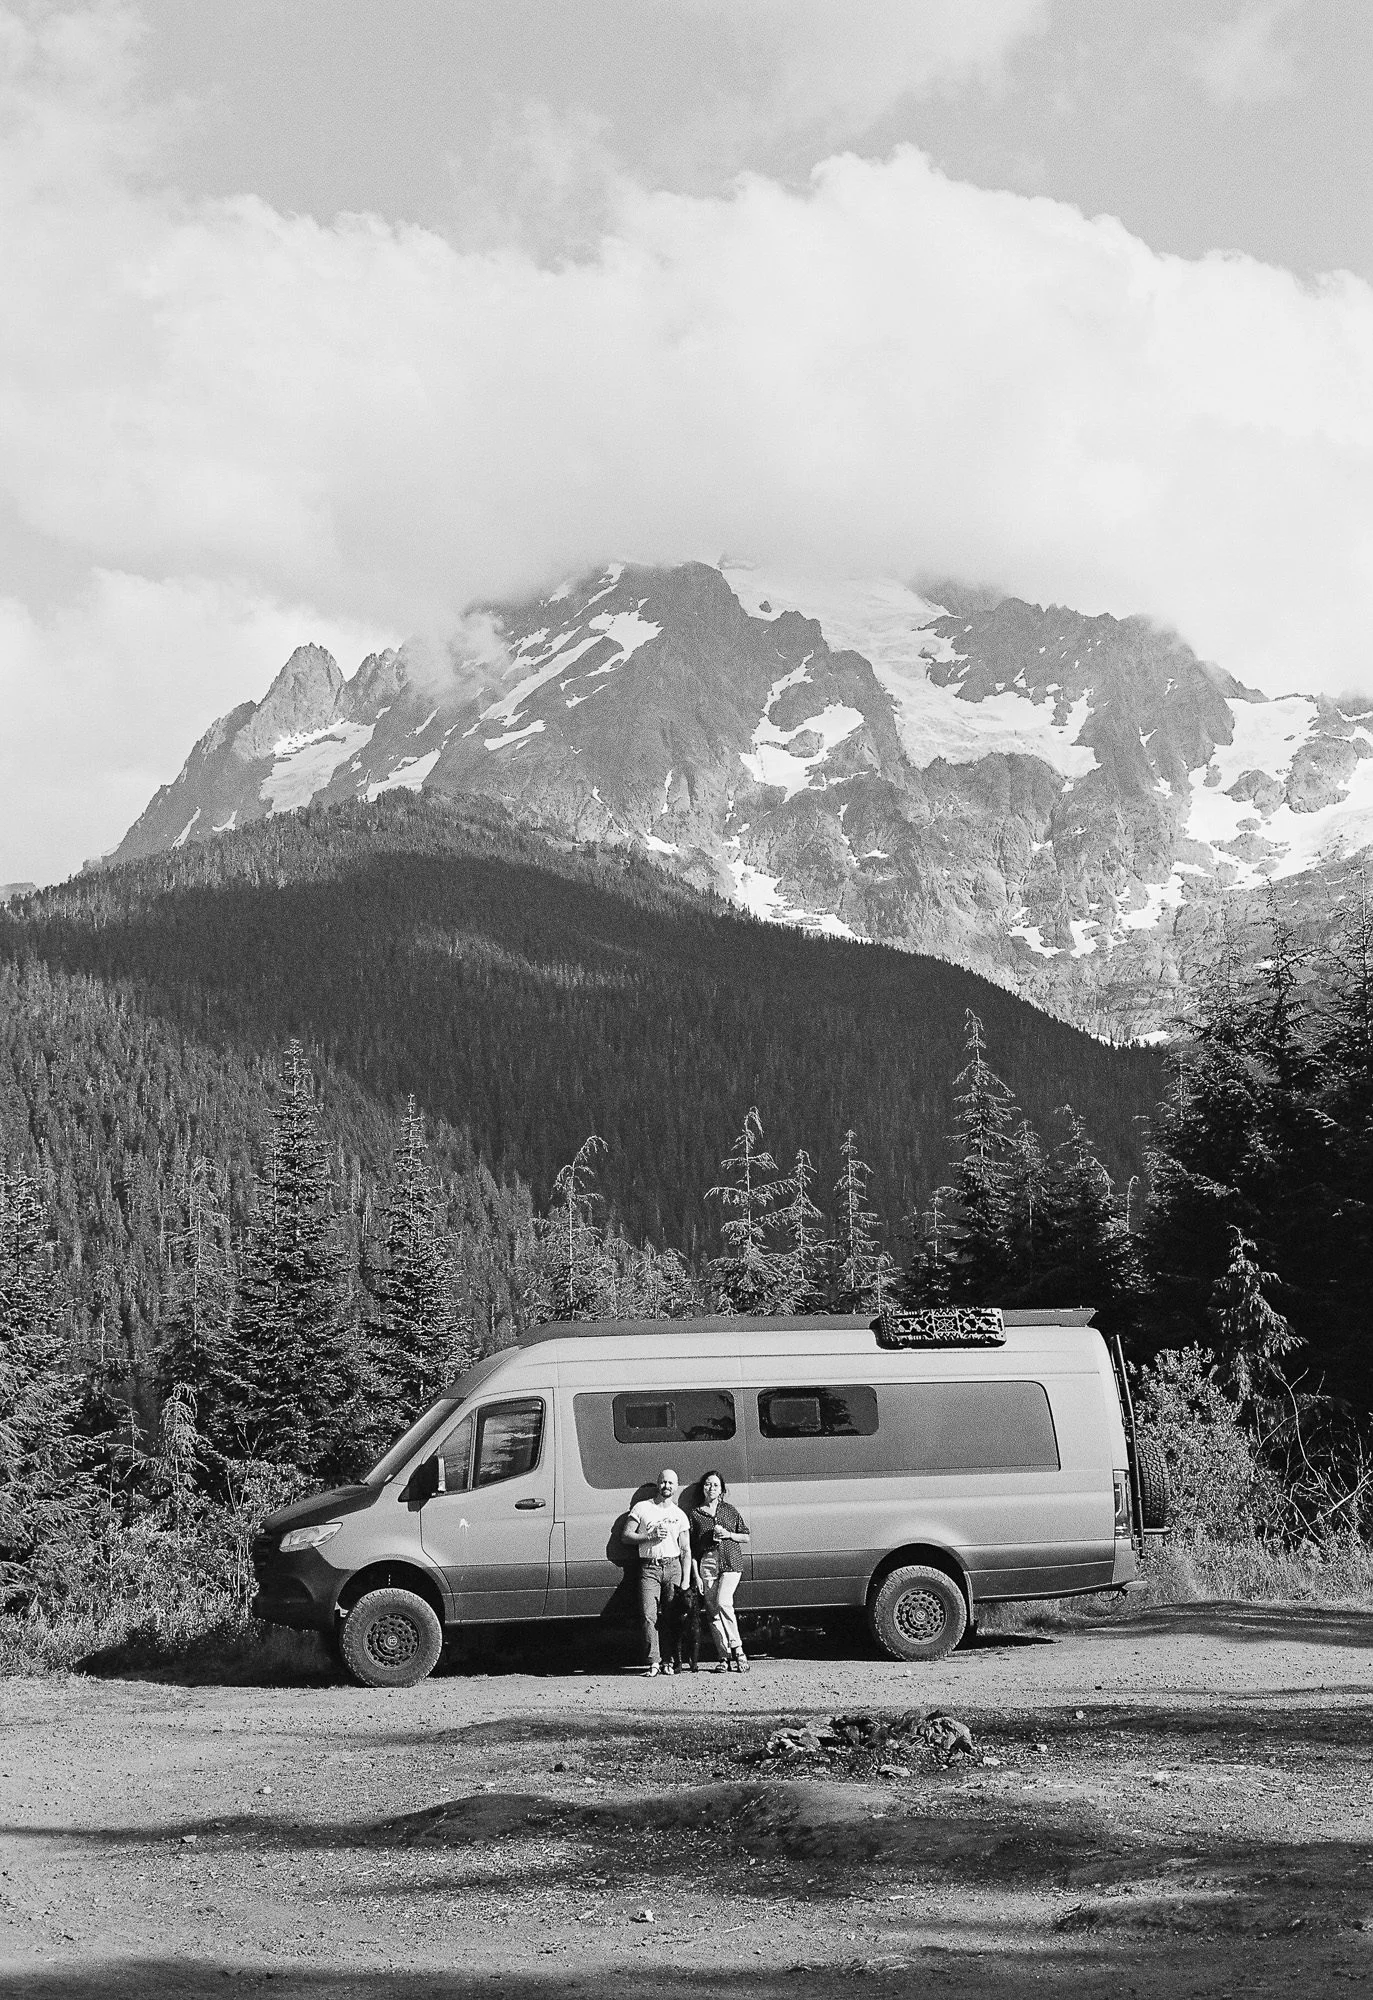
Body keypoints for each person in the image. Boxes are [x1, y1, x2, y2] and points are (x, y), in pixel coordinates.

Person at [622, 1467, 692, 1675]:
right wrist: (649, 1537)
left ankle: (669, 1661)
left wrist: (686, 1581)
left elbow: (686, 1550)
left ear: (676, 1487)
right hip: (649, 1568)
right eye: (663, 1482)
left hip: (673, 1568)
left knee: (671, 1617)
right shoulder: (642, 1508)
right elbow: (625, 1536)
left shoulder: (679, 1515)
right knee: (648, 1615)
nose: (666, 1486)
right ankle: (654, 1661)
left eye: (671, 1483)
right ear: (657, 1483)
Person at [689, 1470, 751, 1672]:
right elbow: (690, 1548)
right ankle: (723, 1657)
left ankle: (738, 1650)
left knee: (724, 1602)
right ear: (703, 1488)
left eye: (715, 1485)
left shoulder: (729, 1510)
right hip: (707, 1563)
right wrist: (696, 1575)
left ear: (722, 1489)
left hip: (730, 1561)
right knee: (713, 1612)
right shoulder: (696, 1514)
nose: (711, 1488)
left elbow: (746, 1536)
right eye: (708, 1484)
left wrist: (728, 1534)